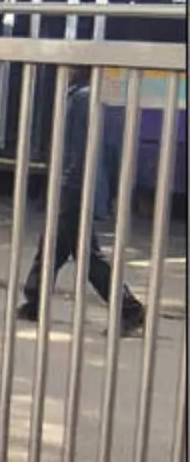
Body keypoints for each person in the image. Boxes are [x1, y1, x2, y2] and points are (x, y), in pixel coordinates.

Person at [18, 67, 146, 336]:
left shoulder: (83, 98)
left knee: (86, 256)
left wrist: (66, 187)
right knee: (52, 245)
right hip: (72, 186)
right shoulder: (79, 94)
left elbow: (80, 151)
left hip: (74, 188)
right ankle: (35, 299)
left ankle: (129, 308)